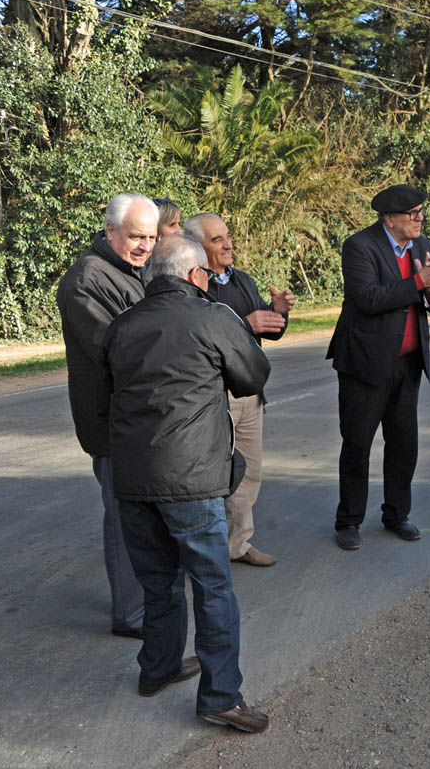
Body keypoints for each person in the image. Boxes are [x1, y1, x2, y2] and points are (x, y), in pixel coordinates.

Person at [101, 234, 271, 732]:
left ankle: (158, 668)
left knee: (158, 581)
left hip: (133, 476)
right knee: (213, 585)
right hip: (191, 477)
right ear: (196, 275)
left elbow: (104, 395)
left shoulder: (121, 326)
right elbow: (253, 375)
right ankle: (220, 694)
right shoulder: (212, 316)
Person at [327, 184, 430, 551]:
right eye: (412, 214)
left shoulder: (422, 245)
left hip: (408, 363)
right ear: (389, 218)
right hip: (365, 363)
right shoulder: (360, 246)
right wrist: (418, 282)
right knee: (358, 443)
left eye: (421, 213)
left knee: (404, 443)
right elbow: (367, 299)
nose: (419, 219)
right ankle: (349, 520)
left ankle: (397, 514)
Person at [56, 193, 156, 638]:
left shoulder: (133, 270)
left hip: (140, 416)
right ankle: (130, 614)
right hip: (113, 420)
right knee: (122, 518)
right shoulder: (85, 280)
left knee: (141, 515)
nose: (145, 245)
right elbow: (117, 349)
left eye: (151, 237)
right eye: (136, 235)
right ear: (110, 230)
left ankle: (145, 602)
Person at [186, 212, 295, 567]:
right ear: (196, 248)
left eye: (228, 236)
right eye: (217, 240)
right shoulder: (193, 286)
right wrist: (246, 324)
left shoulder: (243, 281)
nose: (228, 244)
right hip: (212, 396)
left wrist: (277, 312)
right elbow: (200, 338)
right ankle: (203, 552)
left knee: (249, 473)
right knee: (209, 478)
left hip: (248, 393)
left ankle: (237, 545)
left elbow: (268, 330)